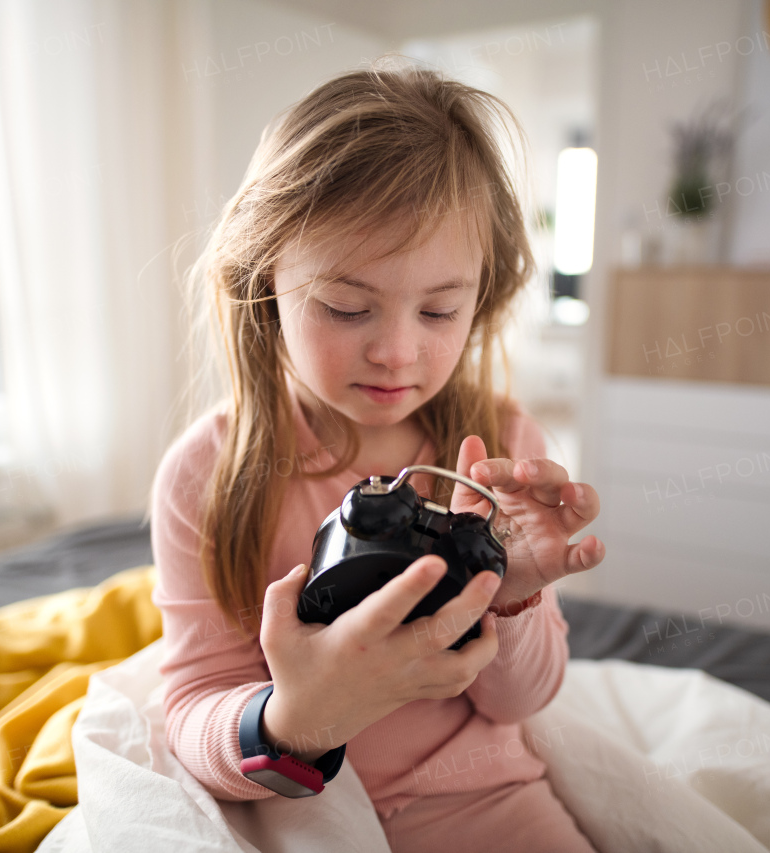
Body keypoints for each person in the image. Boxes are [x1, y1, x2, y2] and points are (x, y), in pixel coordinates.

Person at [150, 56, 605, 852]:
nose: (396, 351)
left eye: (438, 309)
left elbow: (523, 699)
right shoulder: (207, 473)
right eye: (346, 306)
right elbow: (193, 705)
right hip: (302, 810)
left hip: (485, 795)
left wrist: (512, 596)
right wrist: (296, 718)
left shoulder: (504, 450)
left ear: (482, 298)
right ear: (265, 285)